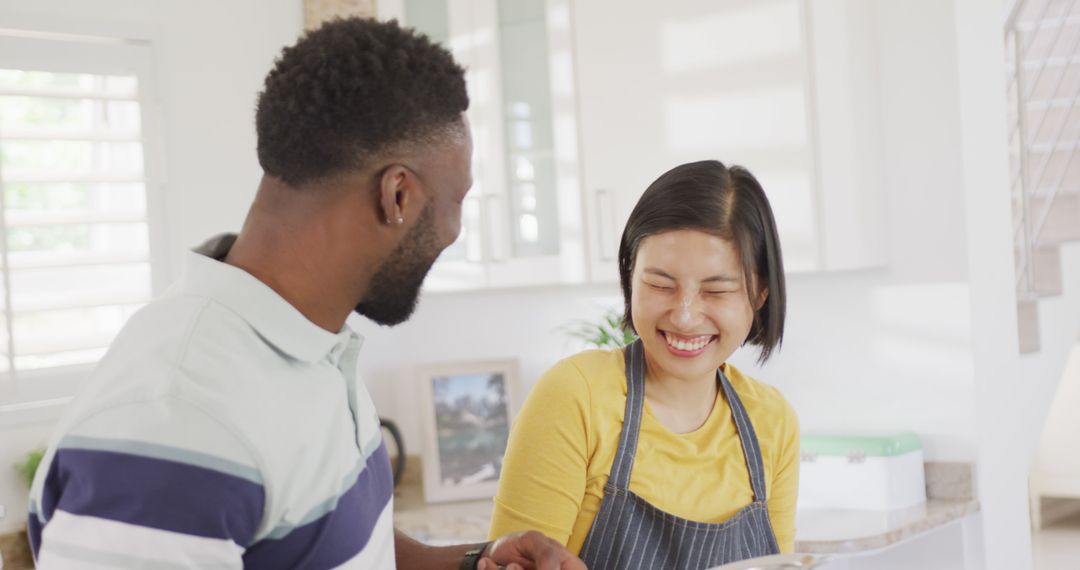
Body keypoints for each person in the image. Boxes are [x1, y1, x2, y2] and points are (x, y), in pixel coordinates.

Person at [27, 17, 583, 570]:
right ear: (397, 195)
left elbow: (326, 541)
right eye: (456, 201)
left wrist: (467, 563)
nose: (455, 232)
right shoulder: (176, 421)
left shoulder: (313, 344)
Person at [489, 160, 799, 569]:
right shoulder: (576, 397)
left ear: (760, 295)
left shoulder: (772, 421)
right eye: (660, 285)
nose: (685, 316)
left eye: (717, 290)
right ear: (629, 278)